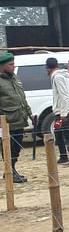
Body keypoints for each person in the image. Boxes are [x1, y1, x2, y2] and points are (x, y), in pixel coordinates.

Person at [0, 52, 34, 183]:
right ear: (2, 66)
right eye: (11, 64)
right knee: (8, 147)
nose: (14, 66)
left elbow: (22, 98)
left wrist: (30, 114)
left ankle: (11, 170)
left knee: (16, 147)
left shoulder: (14, 78)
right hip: (6, 121)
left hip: (19, 119)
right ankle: (10, 172)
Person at [47, 57, 69, 166]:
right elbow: (68, 92)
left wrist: (64, 113)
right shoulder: (62, 76)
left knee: (68, 134)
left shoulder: (57, 77)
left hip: (62, 111)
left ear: (47, 68)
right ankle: (63, 156)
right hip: (60, 110)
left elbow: (64, 95)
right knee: (58, 134)